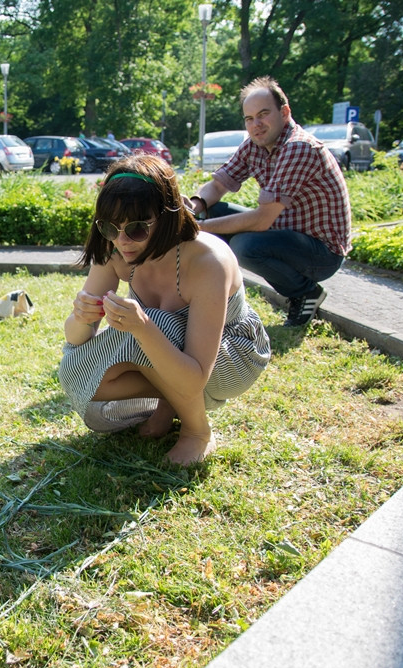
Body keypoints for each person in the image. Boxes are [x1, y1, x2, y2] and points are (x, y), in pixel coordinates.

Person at [58, 155, 271, 466]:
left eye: (137, 229)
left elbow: (196, 377)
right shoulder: (114, 249)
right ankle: (168, 403)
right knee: (75, 369)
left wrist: (143, 327)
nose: (122, 240)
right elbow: (76, 343)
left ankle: (197, 431)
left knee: (154, 324)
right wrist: (81, 317)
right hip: (171, 359)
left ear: (167, 217)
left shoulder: (207, 259)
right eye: (109, 227)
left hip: (231, 357)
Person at [188, 76, 351, 326]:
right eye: (249, 118)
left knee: (245, 246)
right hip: (286, 234)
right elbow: (219, 184)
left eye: (263, 114)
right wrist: (194, 206)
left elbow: (262, 220)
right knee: (211, 210)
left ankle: (306, 292)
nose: (256, 124)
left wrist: (196, 228)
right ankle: (211, 293)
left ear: (284, 112)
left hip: (321, 252)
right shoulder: (255, 144)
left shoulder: (298, 147)